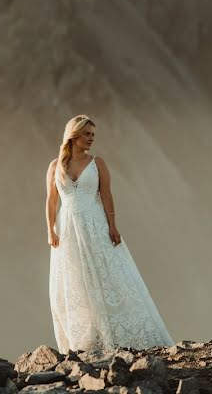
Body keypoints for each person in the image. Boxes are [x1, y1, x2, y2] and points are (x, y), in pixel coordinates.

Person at [47, 114, 174, 352]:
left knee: (105, 275)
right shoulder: (55, 166)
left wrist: (112, 226)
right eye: (87, 134)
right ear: (74, 135)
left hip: (95, 225)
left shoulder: (98, 164)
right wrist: (50, 229)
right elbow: (52, 200)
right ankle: (87, 339)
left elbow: (106, 195)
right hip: (68, 230)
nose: (91, 139)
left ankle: (121, 333)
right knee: (75, 279)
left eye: (94, 135)